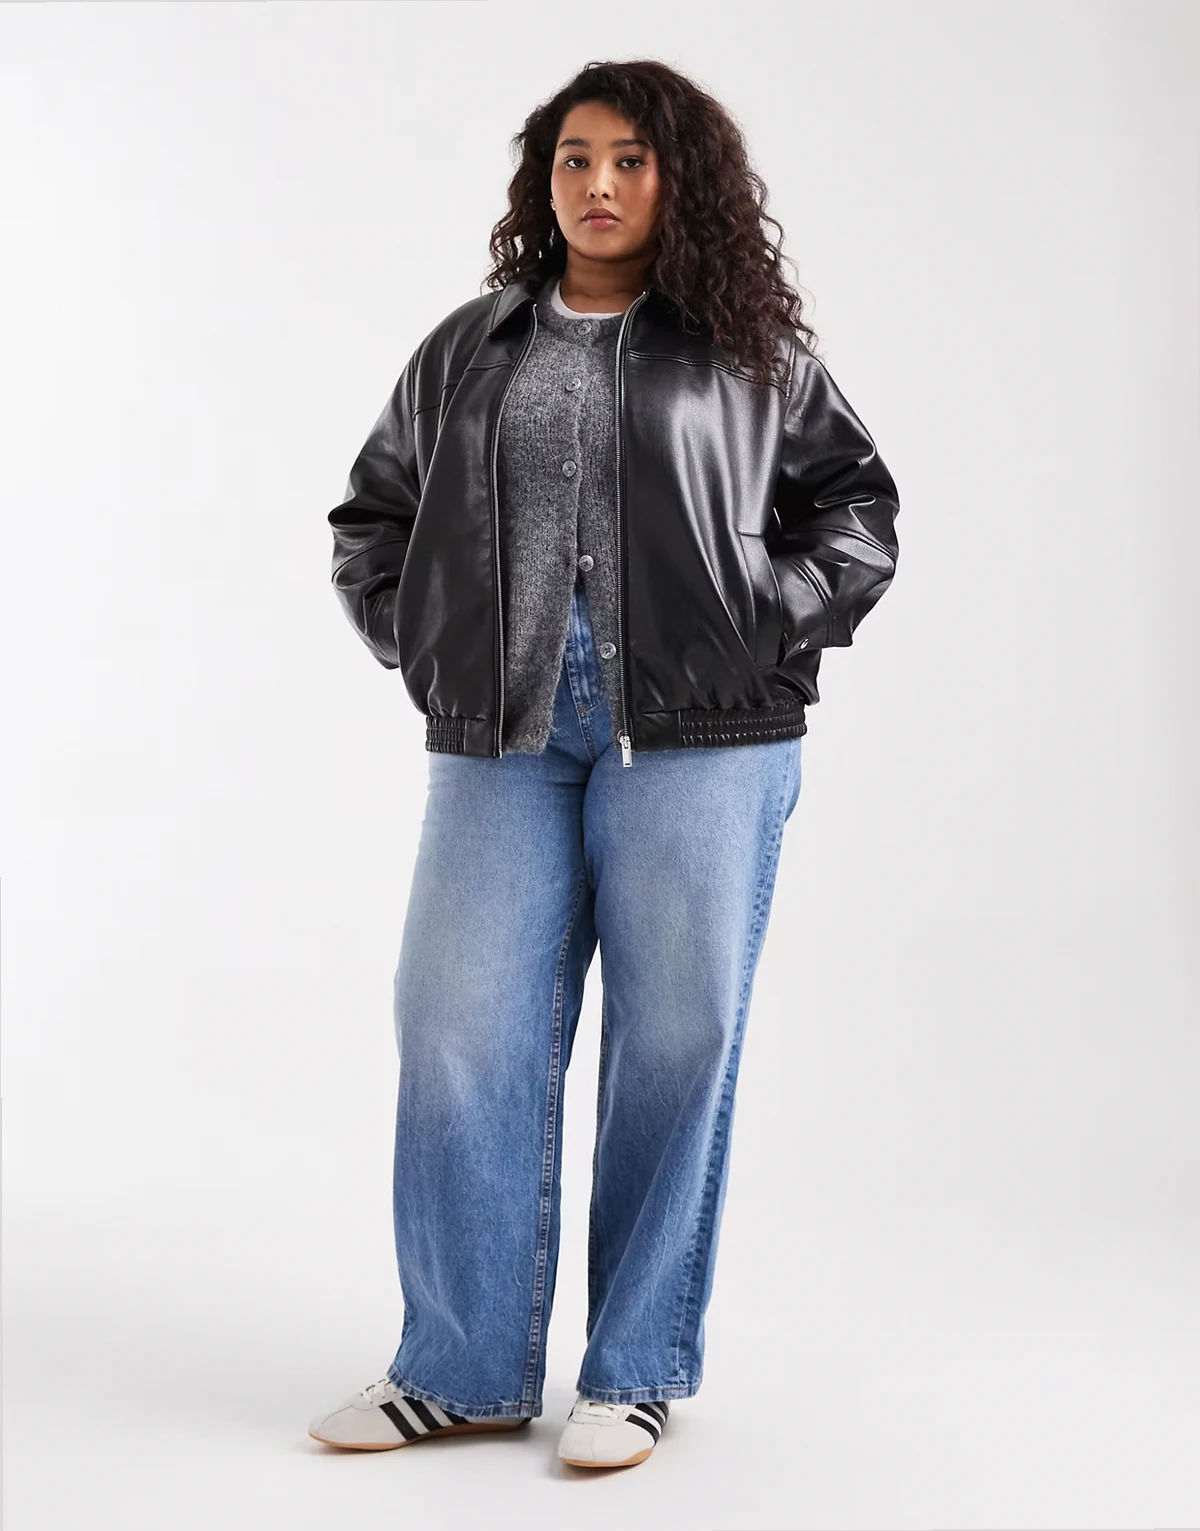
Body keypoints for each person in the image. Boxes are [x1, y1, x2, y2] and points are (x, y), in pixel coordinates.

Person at [309, 58, 900, 1471]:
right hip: (503, 733)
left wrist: (760, 625)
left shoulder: (750, 352)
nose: (599, 184)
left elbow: (857, 512)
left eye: (631, 159)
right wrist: (423, 641)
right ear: (544, 179)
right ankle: (461, 1367)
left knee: (674, 1042)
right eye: (575, 158)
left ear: (678, 181)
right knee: (456, 1027)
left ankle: (633, 1370)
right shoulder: (471, 346)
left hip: (704, 733)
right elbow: (371, 514)